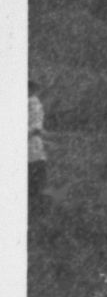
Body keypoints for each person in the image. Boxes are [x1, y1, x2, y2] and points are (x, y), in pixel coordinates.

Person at [27, 82, 47, 210]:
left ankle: (36, 205)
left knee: (34, 179)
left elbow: (35, 126)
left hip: (32, 148)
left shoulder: (33, 103)